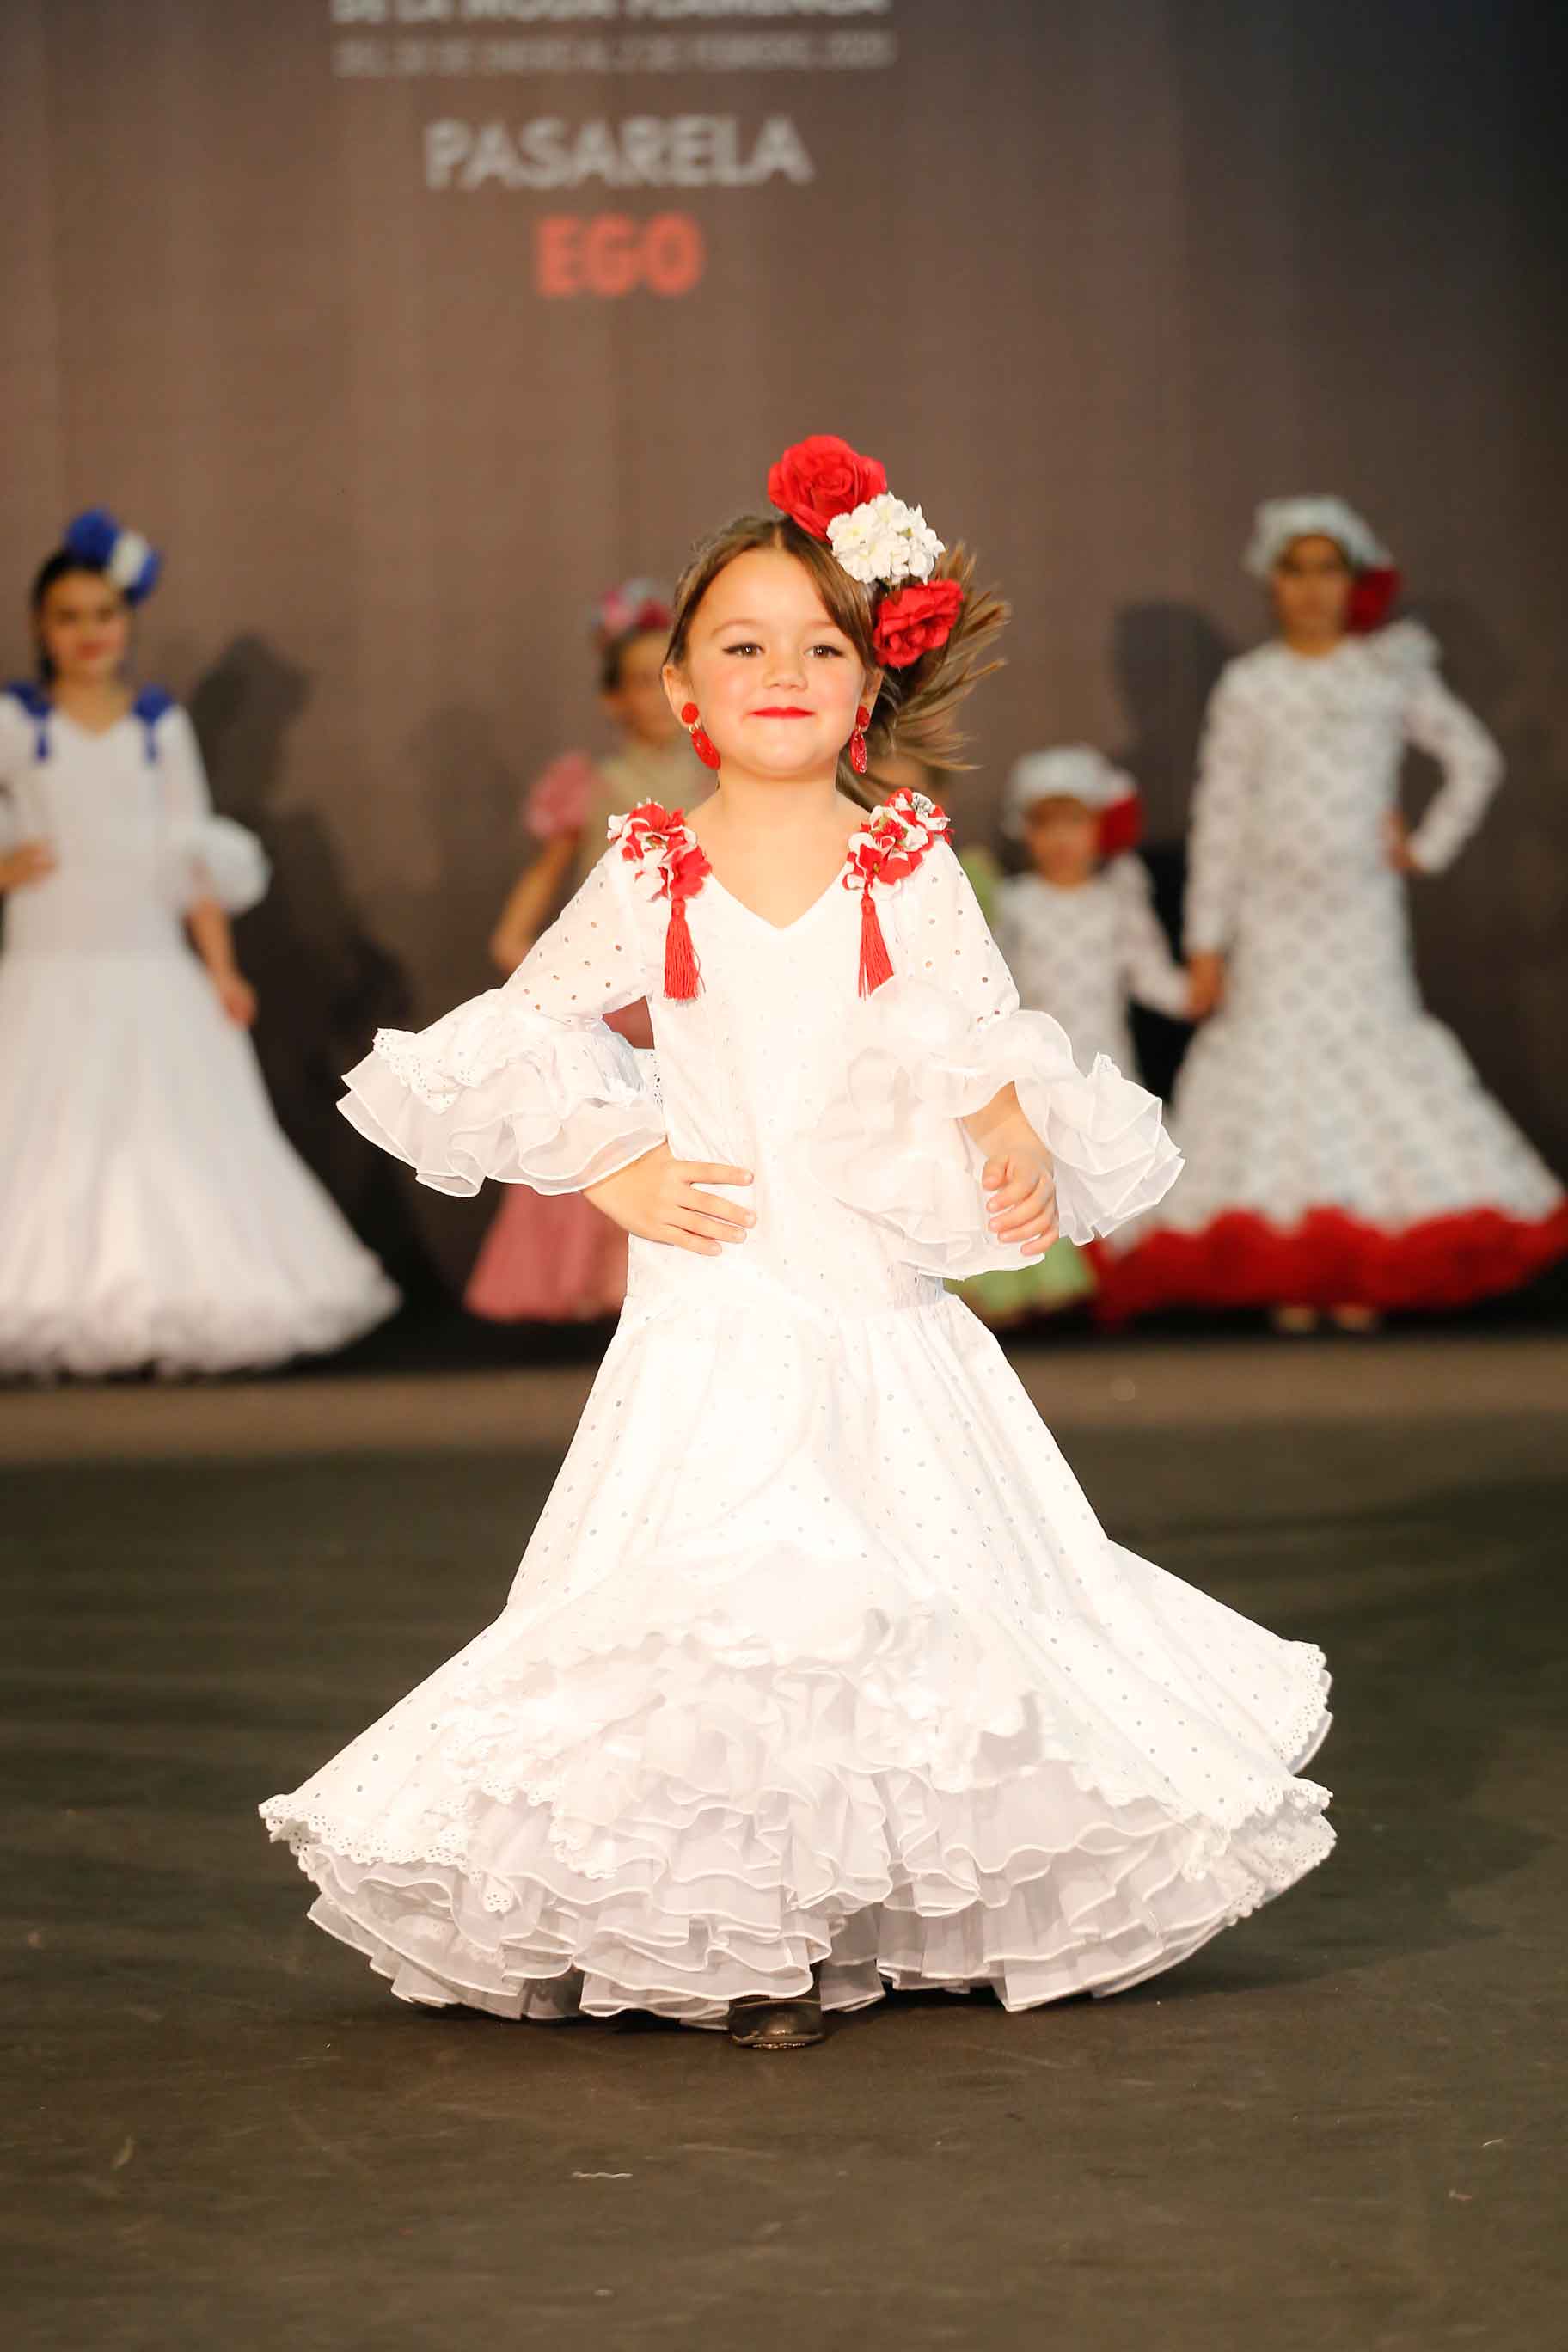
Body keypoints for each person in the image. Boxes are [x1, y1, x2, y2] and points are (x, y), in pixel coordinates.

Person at [260, 437, 1332, 2049]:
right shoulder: (646, 862)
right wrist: (609, 1162)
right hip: (711, 1291)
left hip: (867, 1287)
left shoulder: (903, 856)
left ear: (869, 680)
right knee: (722, 1596)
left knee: (895, 1596)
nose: (780, 672)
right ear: (678, 685)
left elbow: (980, 1037)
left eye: (819, 644)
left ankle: (872, 1897)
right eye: (740, 644)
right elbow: (523, 1030)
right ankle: (727, 1927)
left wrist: (1004, 1134)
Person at [1100, 495, 1568, 1331]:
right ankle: (1291, 1268)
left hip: (1357, 910)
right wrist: (1206, 941)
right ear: (1271, 582)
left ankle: (1365, 1262)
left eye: (1328, 569)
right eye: (1295, 570)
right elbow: (1223, 816)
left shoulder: (1387, 671)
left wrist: (1423, 845)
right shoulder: (1252, 685)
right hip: (1272, 917)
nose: (1312, 588)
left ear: (1352, 581)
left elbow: (1474, 757)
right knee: (1277, 1061)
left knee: (1363, 1055)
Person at [0, 508, 398, 1377]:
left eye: (103, 615)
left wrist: (221, 969)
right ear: (41, 627)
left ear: (127, 623)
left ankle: (170, 1294)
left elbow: (191, 858)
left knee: (163, 1138)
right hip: (46, 967)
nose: (88, 634)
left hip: (147, 964)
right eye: (68, 618)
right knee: (47, 1135)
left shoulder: (156, 727)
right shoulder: (15, 720)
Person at [462, 582, 696, 1326]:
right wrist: (517, 942)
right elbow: (548, 873)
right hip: (618, 984)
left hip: (697, 985)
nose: (655, 700)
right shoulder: (595, 785)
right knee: (605, 1118)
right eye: (636, 683)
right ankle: (590, 1283)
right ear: (613, 700)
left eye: (667, 678)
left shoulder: (727, 779)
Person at [959, 748, 1193, 1329]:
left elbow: (1151, 976)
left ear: (1098, 828)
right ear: (1026, 831)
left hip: (1107, 1066)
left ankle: (1117, 1280)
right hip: (1041, 1070)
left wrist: (1199, 994)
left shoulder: (1117, 900)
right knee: (1044, 1160)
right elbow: (993, 981)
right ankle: (1045, 1283)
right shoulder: (1016, 904)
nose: (1062, 839)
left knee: (1115, 1159)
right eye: (1045, 824)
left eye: (1075, 823)